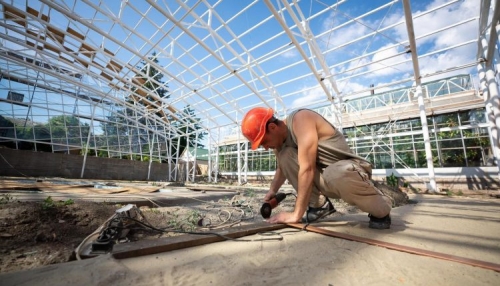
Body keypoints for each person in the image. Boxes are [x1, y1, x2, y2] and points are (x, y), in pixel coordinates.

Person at [241, 107, 393, 229]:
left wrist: (296, 214)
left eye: (264, 142)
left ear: (273, 127)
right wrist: (272, 190)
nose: (266, 148)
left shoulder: (301, 119)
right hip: (327, 177)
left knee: (334, 173)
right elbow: (282, 168)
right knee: (286, 155)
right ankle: (319, 206)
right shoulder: (279, 144)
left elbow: (306, 169)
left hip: (349, 171)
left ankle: (381, 208)